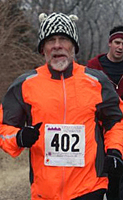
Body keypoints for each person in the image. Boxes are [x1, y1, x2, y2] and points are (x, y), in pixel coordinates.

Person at [0, 13, 123, 200]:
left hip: (90, 188)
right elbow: (2, 129)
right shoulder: (25, 85)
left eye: (64, 39)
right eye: (50, 40)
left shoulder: (97, 81)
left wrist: (115, 151)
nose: (57, 45)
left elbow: (116, 120)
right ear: (43, 49)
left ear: (73, 46)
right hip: (45, 192)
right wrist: (19, 137)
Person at [87, 25, 123, 200]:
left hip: (122, 130)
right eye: (117, 42)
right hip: (100, 130)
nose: (120, 47)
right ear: (110, 43)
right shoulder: (94, 67)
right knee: (104, 175)